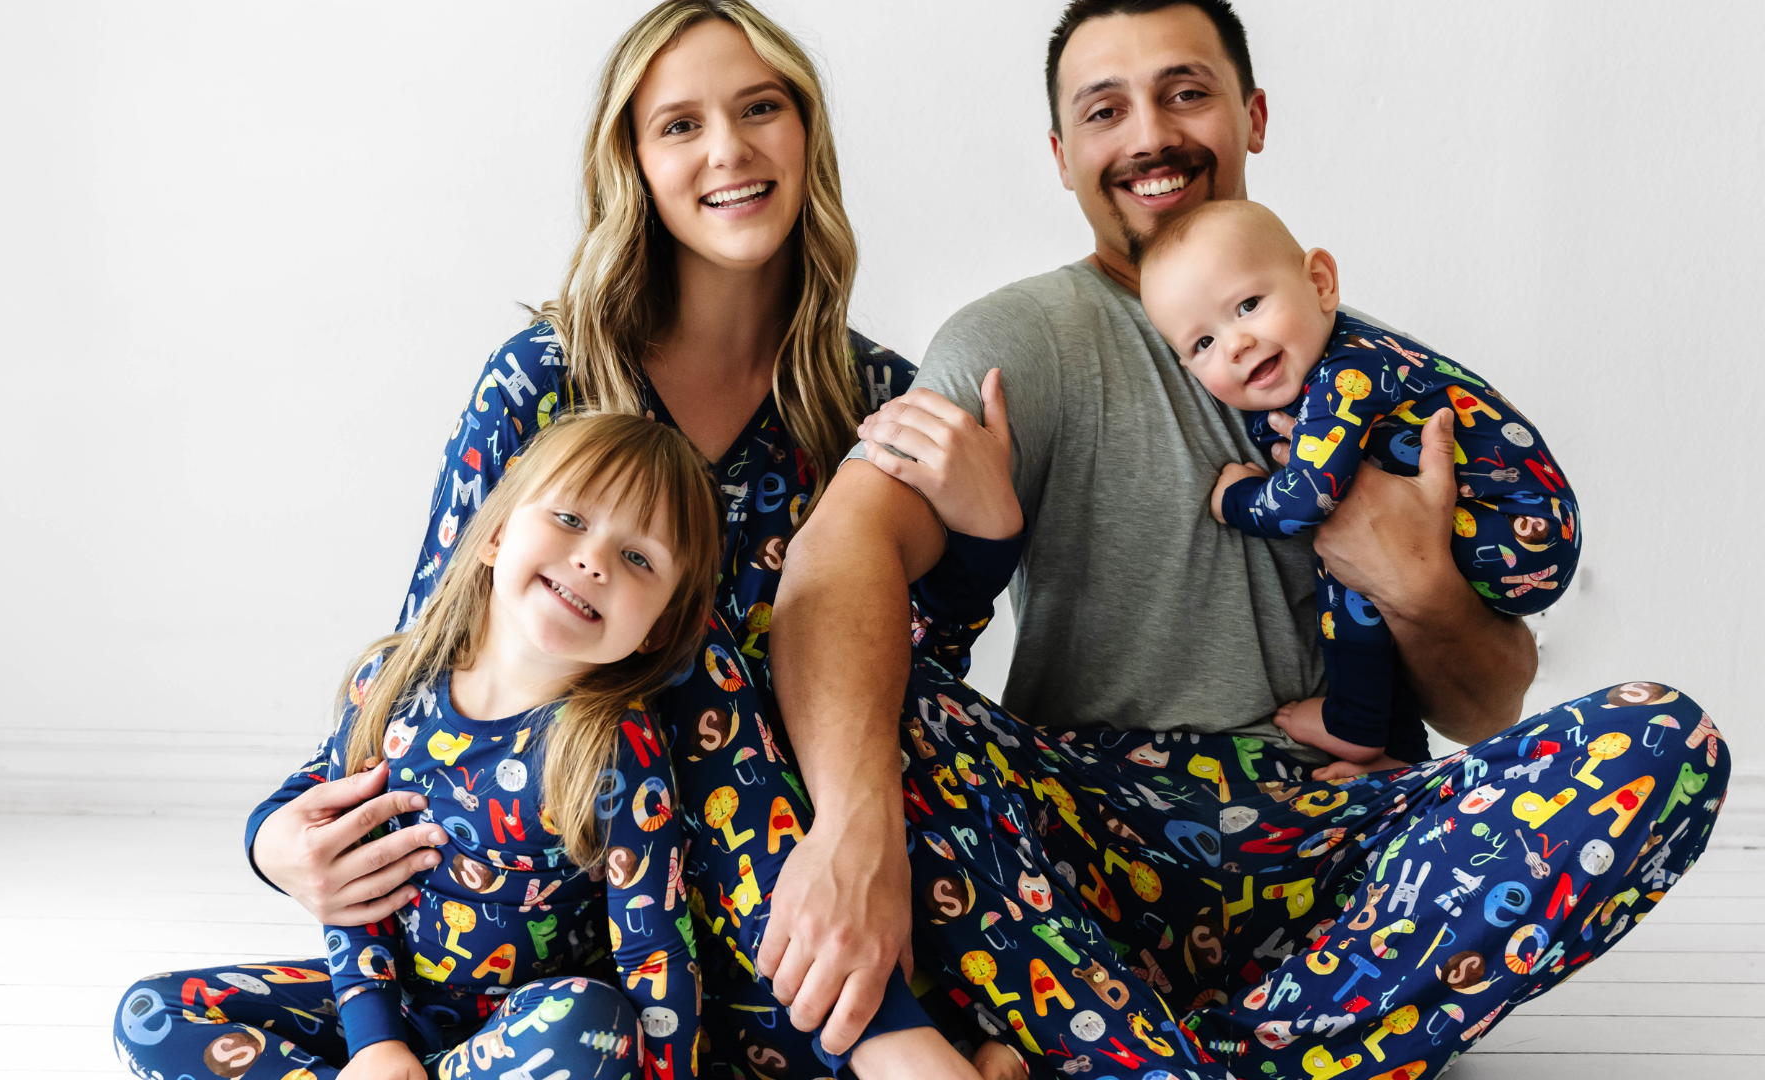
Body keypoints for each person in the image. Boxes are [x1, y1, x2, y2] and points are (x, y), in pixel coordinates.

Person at [760, 1, 1730, 1076]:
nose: (1148, 137)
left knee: (1663, 741)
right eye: (1104, 110)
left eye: (1185, 91)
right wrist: (850, 824)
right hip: (1087, 845)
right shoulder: (1014, 343)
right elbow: (834, 560)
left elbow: (1487, 705)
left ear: (1252, 113)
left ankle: (1152, 1057)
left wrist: (1419, 588)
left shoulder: (1361, 367)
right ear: (1062, 154)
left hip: (1342, 847)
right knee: (863, 702)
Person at [112, 2, 993, 1077]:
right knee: (159, 1014)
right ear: (631, 160)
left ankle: (892, 1039)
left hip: (752, 905)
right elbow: (433, 664)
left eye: (762, 107)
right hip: (464, 964)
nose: (729, 148)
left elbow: (912, 680)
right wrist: (276, 839)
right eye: (678, 124)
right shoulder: (542, 379)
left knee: (703, 689)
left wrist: (989, 535)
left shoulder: (870, 405)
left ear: (808, 131)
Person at [122, 414, 720, 1078]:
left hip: (529, 1034)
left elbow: (656, 953)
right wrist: (375, 1042)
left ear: (658, 629)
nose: (592, 560)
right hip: (391, 1005)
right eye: (571, 520)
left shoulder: (615, 748)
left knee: (590, 1022)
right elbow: (352, 887)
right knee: (153, 1011)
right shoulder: (394, 686)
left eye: (637, 558)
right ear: (496, 535)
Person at [1138, 199, 1580, 769]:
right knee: (1361, 532)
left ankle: (1357, 719)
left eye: (1248, 305)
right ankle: (1389, 741)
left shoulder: (1348, 373)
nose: (1235, 344)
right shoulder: (1329, 363)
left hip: (1515, 533)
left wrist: (1237, 497)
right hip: (1522, 524)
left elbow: (1300, 502)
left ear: (1320, 283)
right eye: (1202, 344)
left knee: (1345, 534)